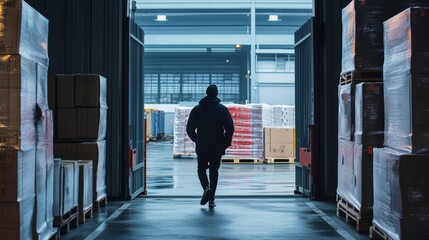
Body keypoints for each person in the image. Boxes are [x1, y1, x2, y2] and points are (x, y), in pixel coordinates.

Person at [186, 84, 234, 208]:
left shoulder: (197, 109)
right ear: (216, 94)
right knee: (214, 171)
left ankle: (206, 188)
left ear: (206, 93)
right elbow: (230, 128)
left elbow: (190, 128)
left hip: (202, 145)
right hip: (217, 146)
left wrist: (196, 139)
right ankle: (212, 199)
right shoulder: (222, 109)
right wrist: (226, 142)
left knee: (201, 169)